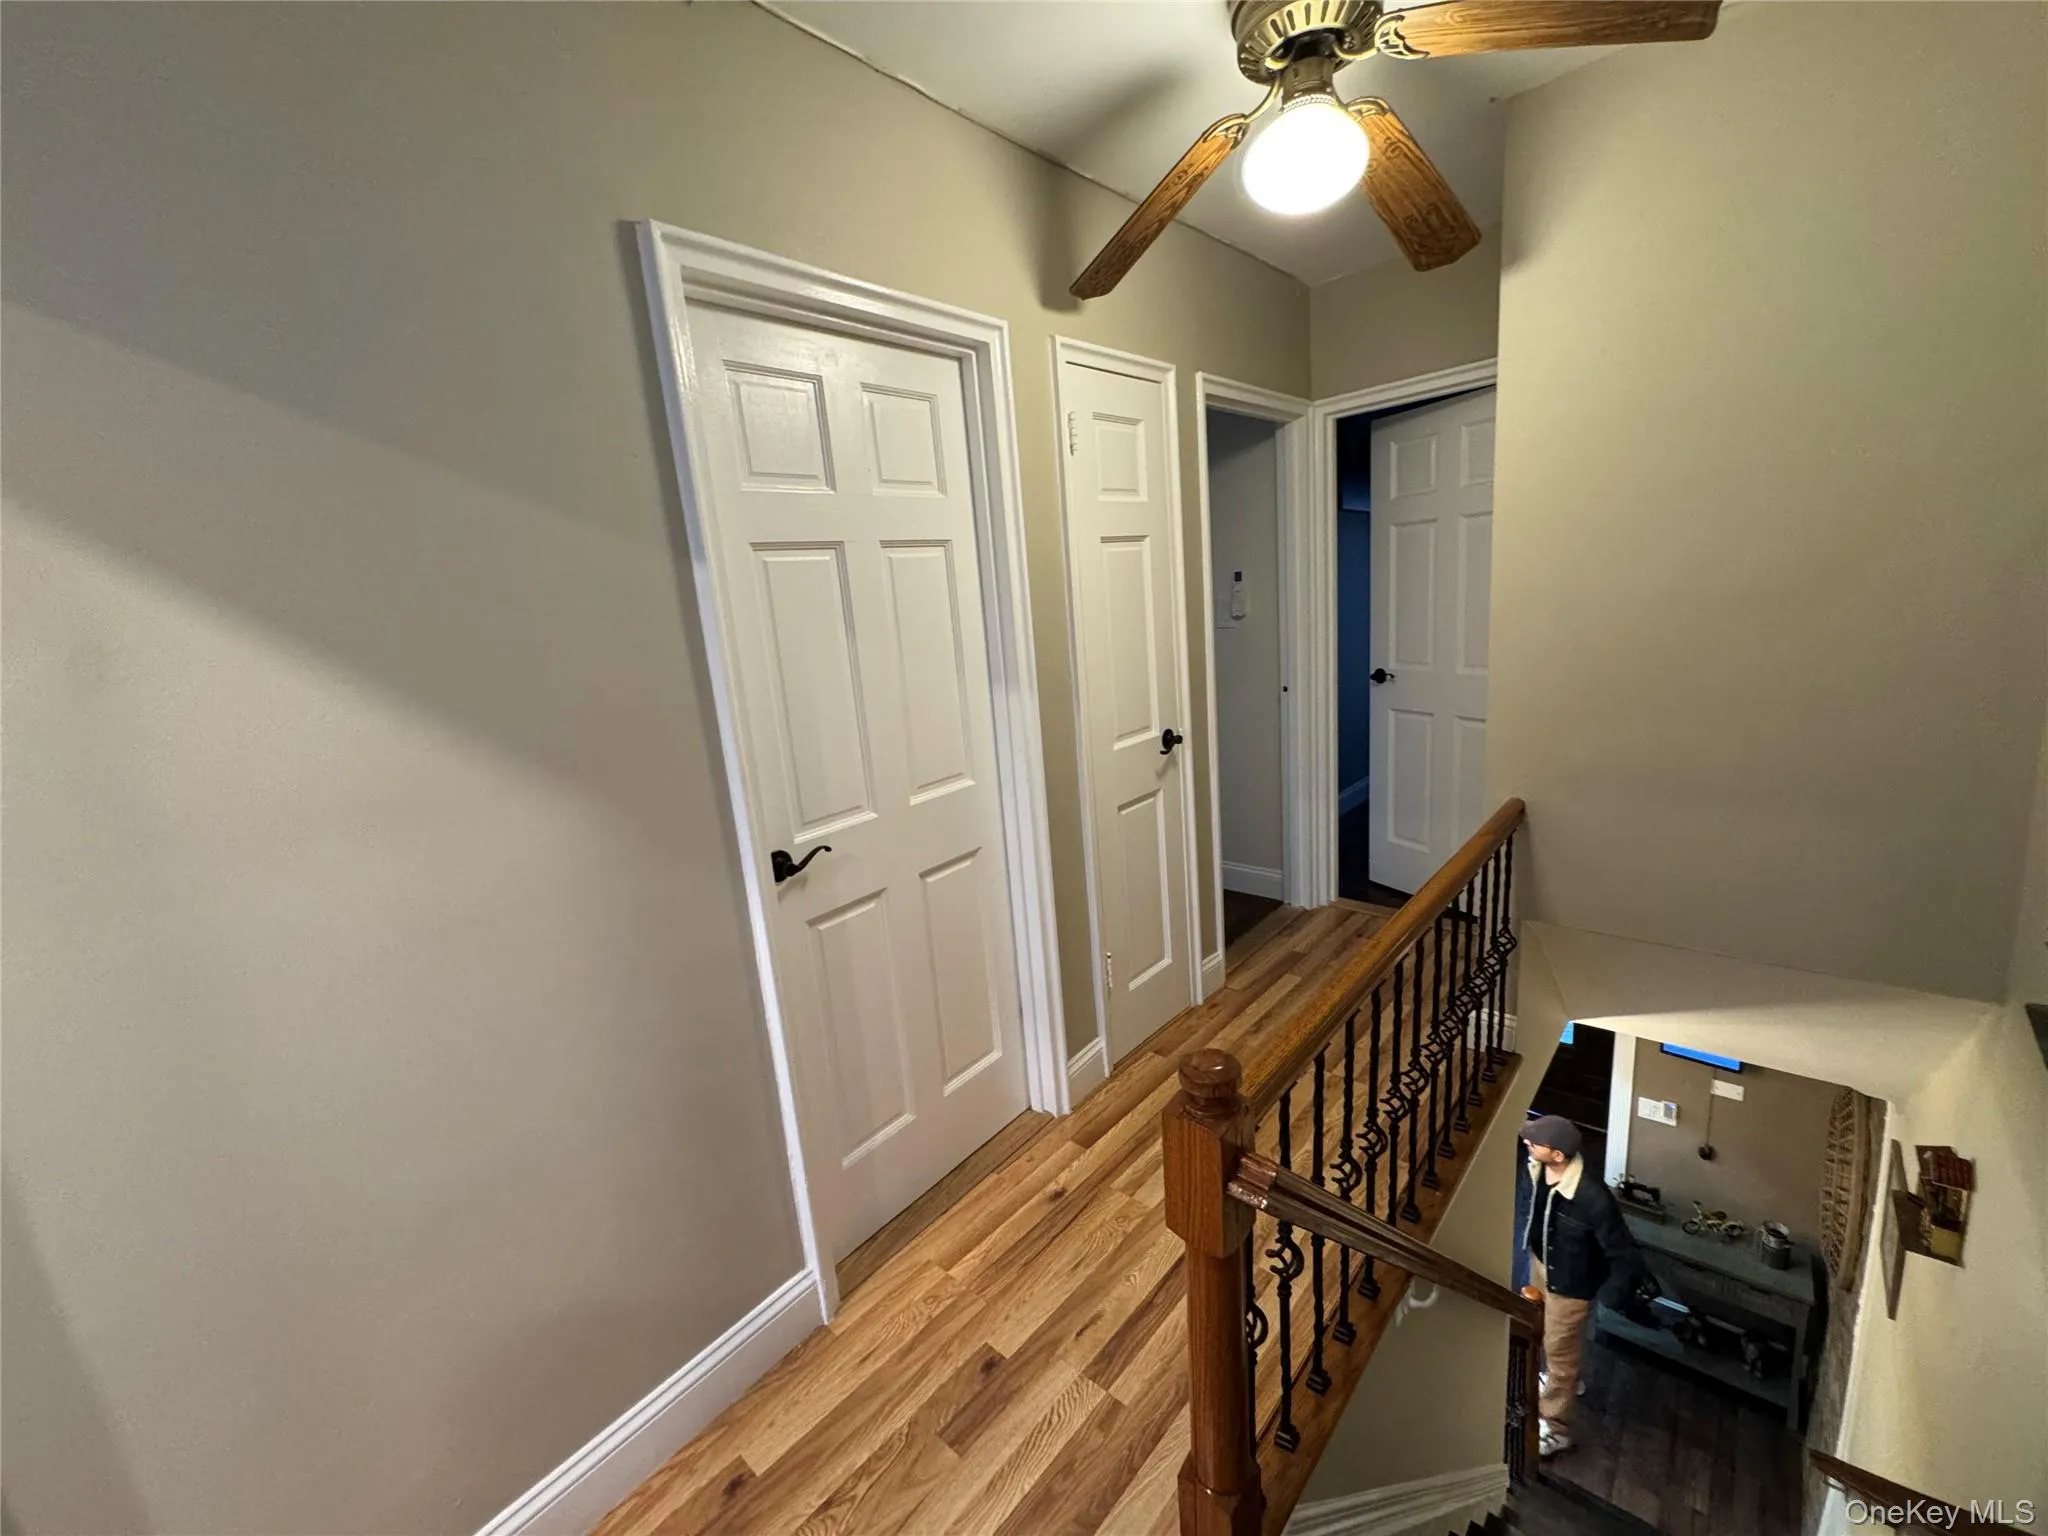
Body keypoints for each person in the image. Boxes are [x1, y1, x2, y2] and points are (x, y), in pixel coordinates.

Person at [1518, 1114, 1646, 1458]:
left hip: (1570, 1286)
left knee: (1561, 1352)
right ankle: (1565, 1383)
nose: (1528, 1143)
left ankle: (1556, 1426)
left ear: (1558, 1154)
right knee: (1542, 1331)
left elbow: (1624, 1254)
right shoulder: (1539, 1169)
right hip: (1542, 1265)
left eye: (1535, 1141)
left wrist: (1609, 1295)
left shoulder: (1592, 1198)